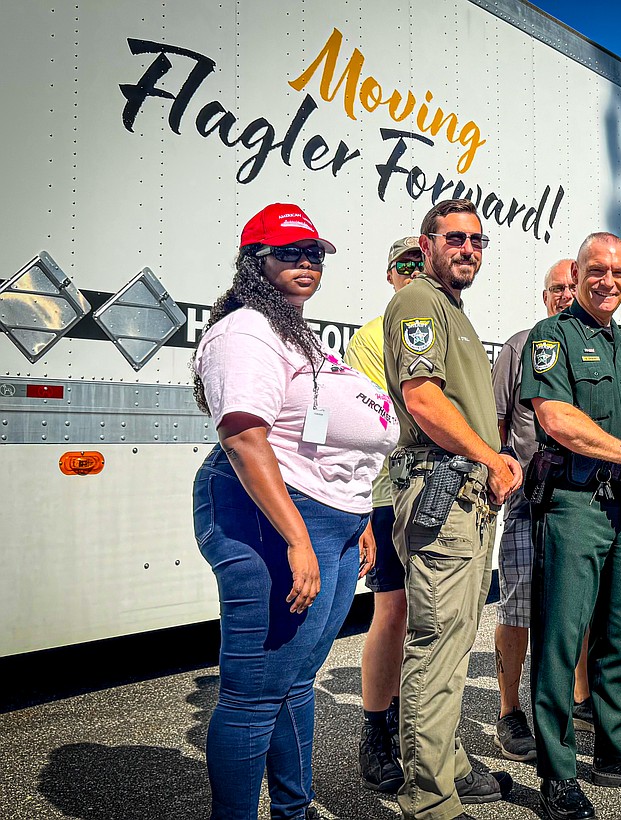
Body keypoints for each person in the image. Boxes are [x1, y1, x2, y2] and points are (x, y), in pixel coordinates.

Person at [191, 203, 399, 820]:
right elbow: (245, 437)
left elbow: (321, 438)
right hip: (269, 520)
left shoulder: (294, 331)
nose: (306, 262)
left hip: (330, 521)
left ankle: (294, 810)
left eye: (314, 253)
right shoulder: (247, 330)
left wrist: (356, 517)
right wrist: (297, 539)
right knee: (253, 694)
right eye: (289, 253)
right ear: (255, 262)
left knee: (297, 681)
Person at [522, 232, 621, 820]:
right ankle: (557, 772)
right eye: (597, 270)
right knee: (562, 640)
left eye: (618, 272)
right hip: (573, 503)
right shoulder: (552, 337)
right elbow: (556, 416)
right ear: (580, 272)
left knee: (619, 633)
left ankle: (618, 750)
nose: (608, 282)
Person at [383, 199, 524, 820]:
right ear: (428, 242)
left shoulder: (451, 310)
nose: (468, 249)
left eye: (477, 241)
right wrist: (491, 459)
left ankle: (446, 764)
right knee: (437, 645)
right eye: (456, 238)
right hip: (444, 491)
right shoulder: (418, 300)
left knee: (457, 639)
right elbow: (423, 400)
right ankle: (429, 799)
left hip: (466, 495)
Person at [344, 236, 422, 793]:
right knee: (391, 612)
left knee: (437, 619)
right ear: (391, 273)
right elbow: (378, 423)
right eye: (405, 264)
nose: (415, 272)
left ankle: (418, 733)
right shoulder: (373, 337)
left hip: (442, 493)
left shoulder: (444, 325)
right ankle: (377, 735)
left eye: (422, 262)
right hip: (388, 494)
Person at [491, 258, 577, 761]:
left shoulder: (598, 346)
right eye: (556, 289)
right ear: (545, 296)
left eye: (571, 287)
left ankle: (579, 702)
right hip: (530, 500)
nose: (565, 295)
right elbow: (499, 419)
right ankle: (509, 711)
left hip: (585, 500)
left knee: (578, 610)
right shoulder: (520, 346)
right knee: (518, 607)